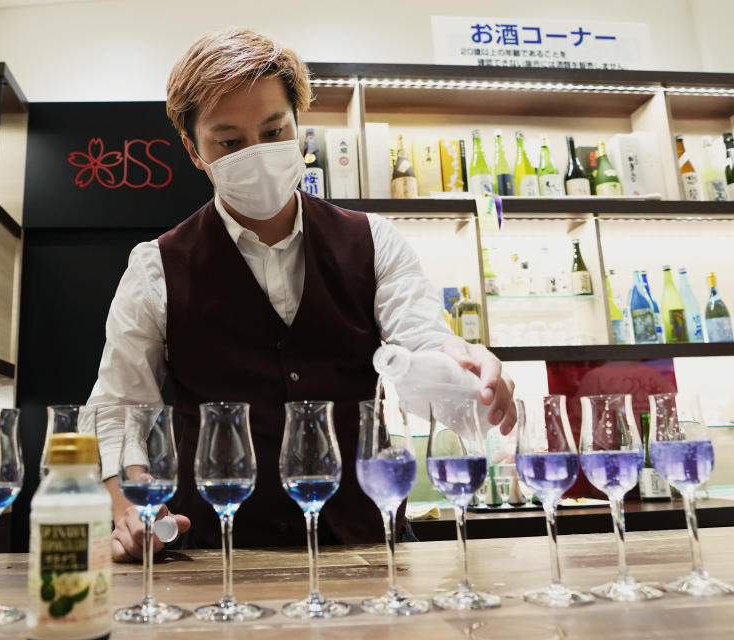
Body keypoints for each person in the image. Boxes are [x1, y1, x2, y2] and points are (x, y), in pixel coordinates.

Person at [87, 27, 516, 562]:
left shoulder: (374, 241)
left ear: (298, 125)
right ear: (195, 151)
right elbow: (119, 406)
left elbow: (422, 342)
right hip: (221, 549)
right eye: (230, 142)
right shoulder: (156, 266)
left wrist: (460, 370)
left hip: (368, 542)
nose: (258, 154)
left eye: (273, 131)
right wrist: (131, 505)